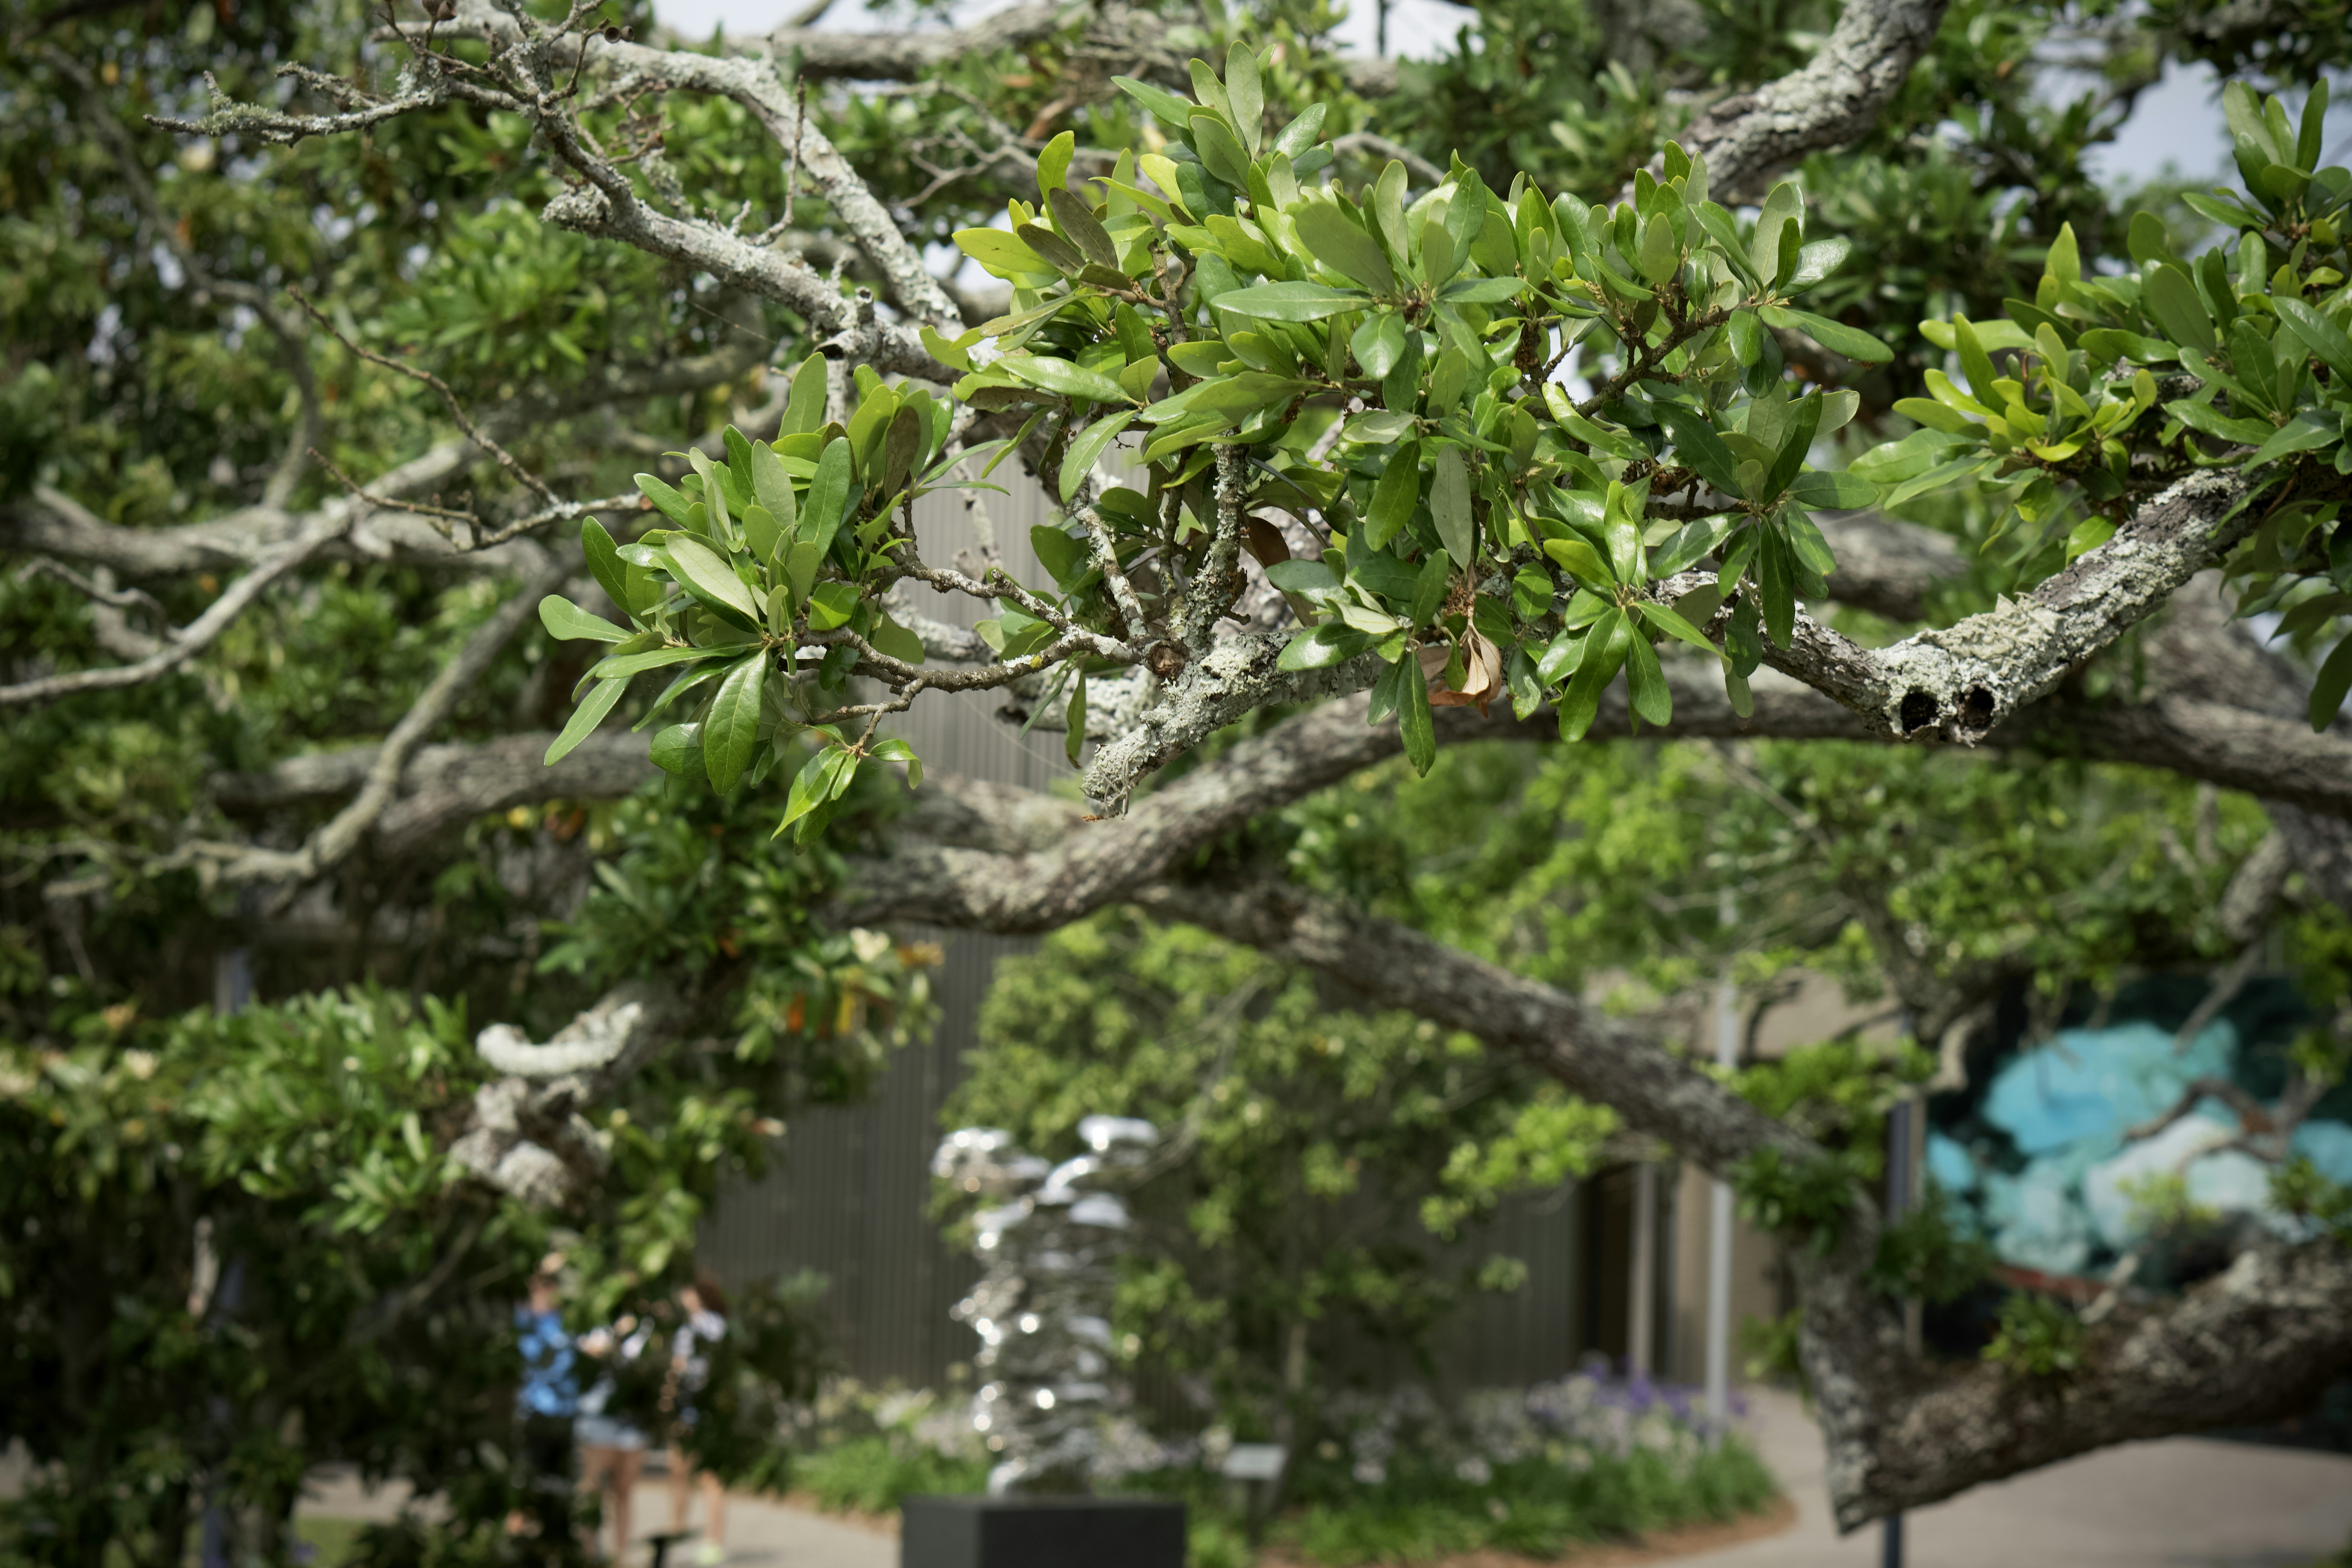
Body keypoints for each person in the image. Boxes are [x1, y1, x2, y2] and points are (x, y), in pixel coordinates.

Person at [511, 1254, 580, 1555]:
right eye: (539, 1287)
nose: (543, 1293)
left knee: (562, 1494)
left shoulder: (569, 1320)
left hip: (566, 1418)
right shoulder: (525, 1320)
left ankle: (556, 1548)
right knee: (525, 1491)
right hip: (534, 1416)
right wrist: (544, 1267)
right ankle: (516, 1549)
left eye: (549, 1287)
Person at [663, 1274, 730, 1566]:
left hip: (690, 1409)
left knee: (680, 1475)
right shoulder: (723, 1327)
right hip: (714, 1411)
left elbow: (677, 1370)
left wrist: (667, 1400)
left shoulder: (691, 1329)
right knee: (710, 1481)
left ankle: (677, 1535)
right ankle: (712, 1544)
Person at [576, 1311, 654, 1563]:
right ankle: (588, 1556)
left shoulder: (647, 1324)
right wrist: (617, 1333)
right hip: (597, 1417)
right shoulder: (594, 1313)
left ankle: (621, 1556)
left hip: (632, 1420)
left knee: (624, 1493)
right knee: (591, 1491)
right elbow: (586, 1354)